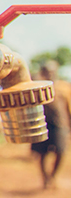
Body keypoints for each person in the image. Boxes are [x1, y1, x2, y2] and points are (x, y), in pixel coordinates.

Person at [31, 61, 71, 190]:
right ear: (43, 73)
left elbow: (68, 107)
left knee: (61, 151)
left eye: (52, 71)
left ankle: (53, 175)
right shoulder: (37, 88)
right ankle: (46, 178)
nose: (50, 74)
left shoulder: (63, 87)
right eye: (47, 71)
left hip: (60, 125)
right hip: (42, 123)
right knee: (43, 153)